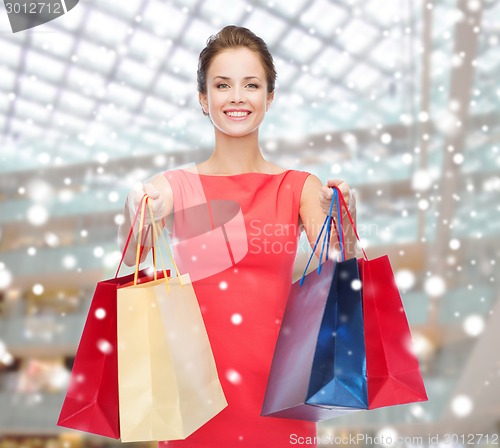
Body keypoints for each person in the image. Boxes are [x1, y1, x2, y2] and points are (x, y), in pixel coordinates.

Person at [118, 25, 357, 448]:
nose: (236, 97)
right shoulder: (175, 186)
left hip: (281, 396)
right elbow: (135, 250)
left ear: (270, 97)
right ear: (203, 98)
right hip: (196, 400)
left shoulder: (298, 186)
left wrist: (347, 221)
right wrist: (137, 210)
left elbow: (340, 274)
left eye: (251, 85)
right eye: (222, 85)